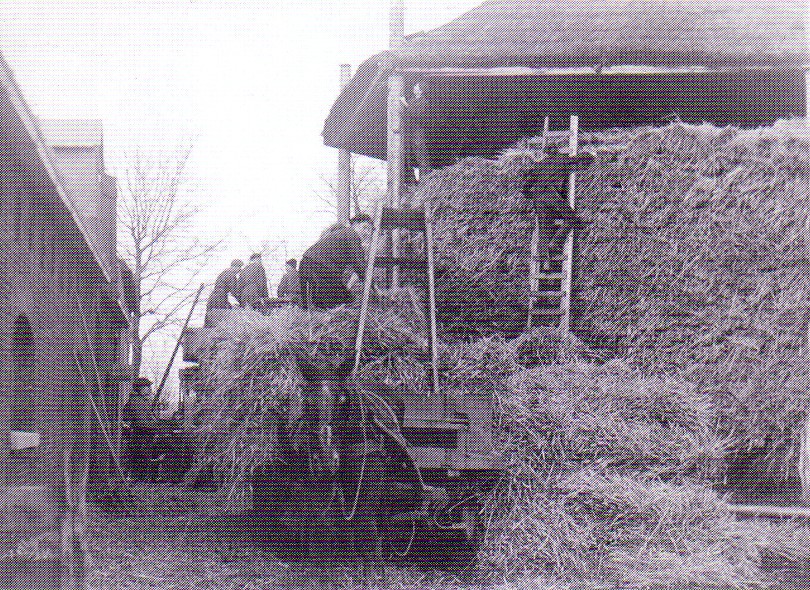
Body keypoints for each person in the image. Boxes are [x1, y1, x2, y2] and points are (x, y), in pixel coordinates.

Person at [521, 148, 595, 249]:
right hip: (549, 193)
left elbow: (525, 189)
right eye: (583, 167)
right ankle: (555, 243)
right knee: (570, 217)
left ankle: (543, 256)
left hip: (538, 198)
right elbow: (577, 158)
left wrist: (533, 195)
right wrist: (589, 157)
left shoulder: (541, 164)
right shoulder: (562, 159)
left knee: (544, 230)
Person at [299, 215, 373, 310]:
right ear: (354, 225)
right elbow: (360, 266)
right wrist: (374, 287)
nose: (366, 232)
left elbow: (357, 267)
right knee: (344, 301)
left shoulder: (343, 235)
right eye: (364, 227)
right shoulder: (352, 234)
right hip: (318, 268)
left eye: (369, 230)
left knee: (312, 307)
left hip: (308, 264)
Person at [123, 377, 156, 477]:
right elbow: (142, 423)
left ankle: (141, 477)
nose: (150, 389)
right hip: (142, 434)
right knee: (142, 456)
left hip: (141, 434)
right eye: (147, 387)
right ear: (140, 388)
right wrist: (157, 426)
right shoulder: (138, 402)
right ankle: (142, 478)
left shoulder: (140, 401)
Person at [402, 81, 431, 181]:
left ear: (421, 91)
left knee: (420, 155)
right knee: (406, 156)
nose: (414, 87)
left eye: (416, 86)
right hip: (409, 131)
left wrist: (406, 105)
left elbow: (418, 115)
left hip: (418, 131)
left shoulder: (424, 103)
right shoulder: (412, 100)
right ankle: (412, 182)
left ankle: (424, 180)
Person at [205, 259, 243, 326]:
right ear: (235, 267)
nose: (239, 270)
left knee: (210, 322)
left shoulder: (223, 273)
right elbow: (234, 291)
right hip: (220, 299)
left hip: (213, 298)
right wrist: (241, 302)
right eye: (239, 267)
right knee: (221, 321)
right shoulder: (231, 275)